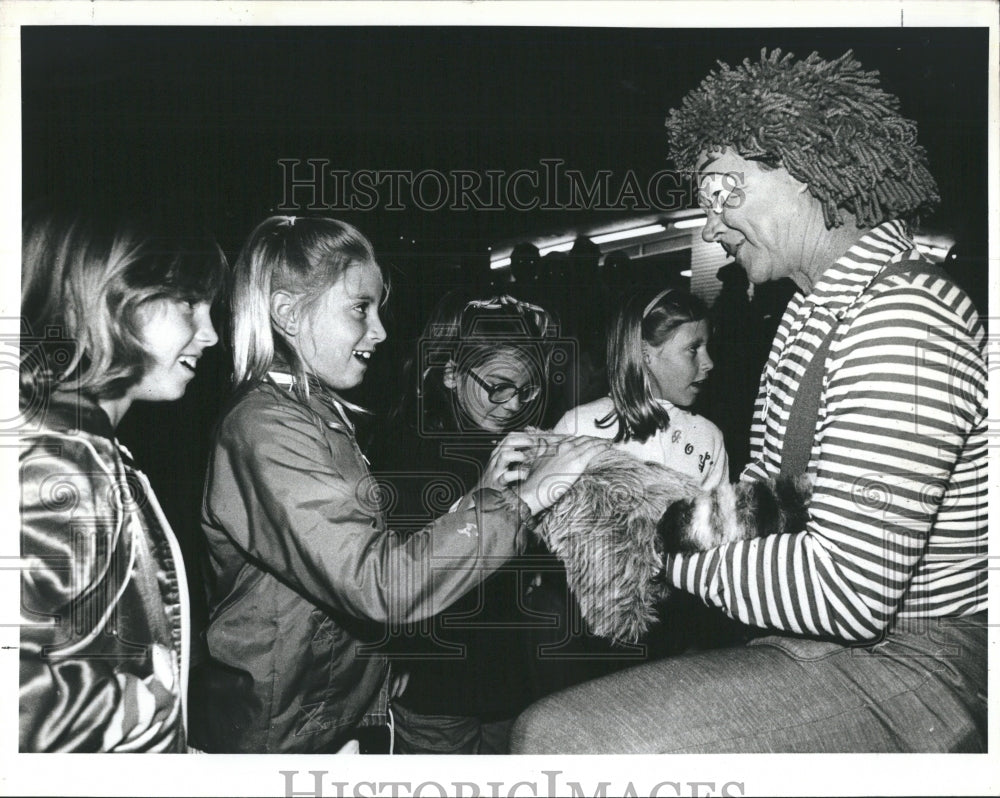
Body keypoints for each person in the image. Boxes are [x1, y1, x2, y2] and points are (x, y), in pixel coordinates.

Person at [511, 48, 987, 753]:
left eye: (724, 192)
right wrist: (625, 490)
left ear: (813, 166)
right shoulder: (815, 312)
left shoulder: (904, 314)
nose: (709, 227)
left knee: (561, 739)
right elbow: (773, 506)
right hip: (844, 643)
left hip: (927, 656)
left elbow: (846, 593)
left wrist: (639, 533)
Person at [193, 216, 605, 754]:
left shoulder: (312, 414)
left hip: (313, 720)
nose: (380, 330)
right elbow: (378, 584)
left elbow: (353, 569)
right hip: (274, 736)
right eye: (360, 308)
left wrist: (385, 675)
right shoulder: (267, 430)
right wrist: (520, 501)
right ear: (289, 314)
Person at [18, 204, 225, 752]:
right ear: (109, 299)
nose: (210, 334)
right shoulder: (57, 460)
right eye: (188, 302)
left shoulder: (87, 448)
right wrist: (144, 711)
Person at [369, 291, 579, 754]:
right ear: (450, 375)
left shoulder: (509, 443)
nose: (513, 404)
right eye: (499, 387)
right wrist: (481, 494)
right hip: (435, 685)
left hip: (504, 675)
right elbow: (399, 573)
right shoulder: (409, 452)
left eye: (527, 391)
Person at [552, 286, 728, 491]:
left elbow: (716, 520)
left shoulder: (709, 437)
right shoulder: (579, 427)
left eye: (707, 347)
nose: (709, 362)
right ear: (645, 352)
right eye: (693, 349)